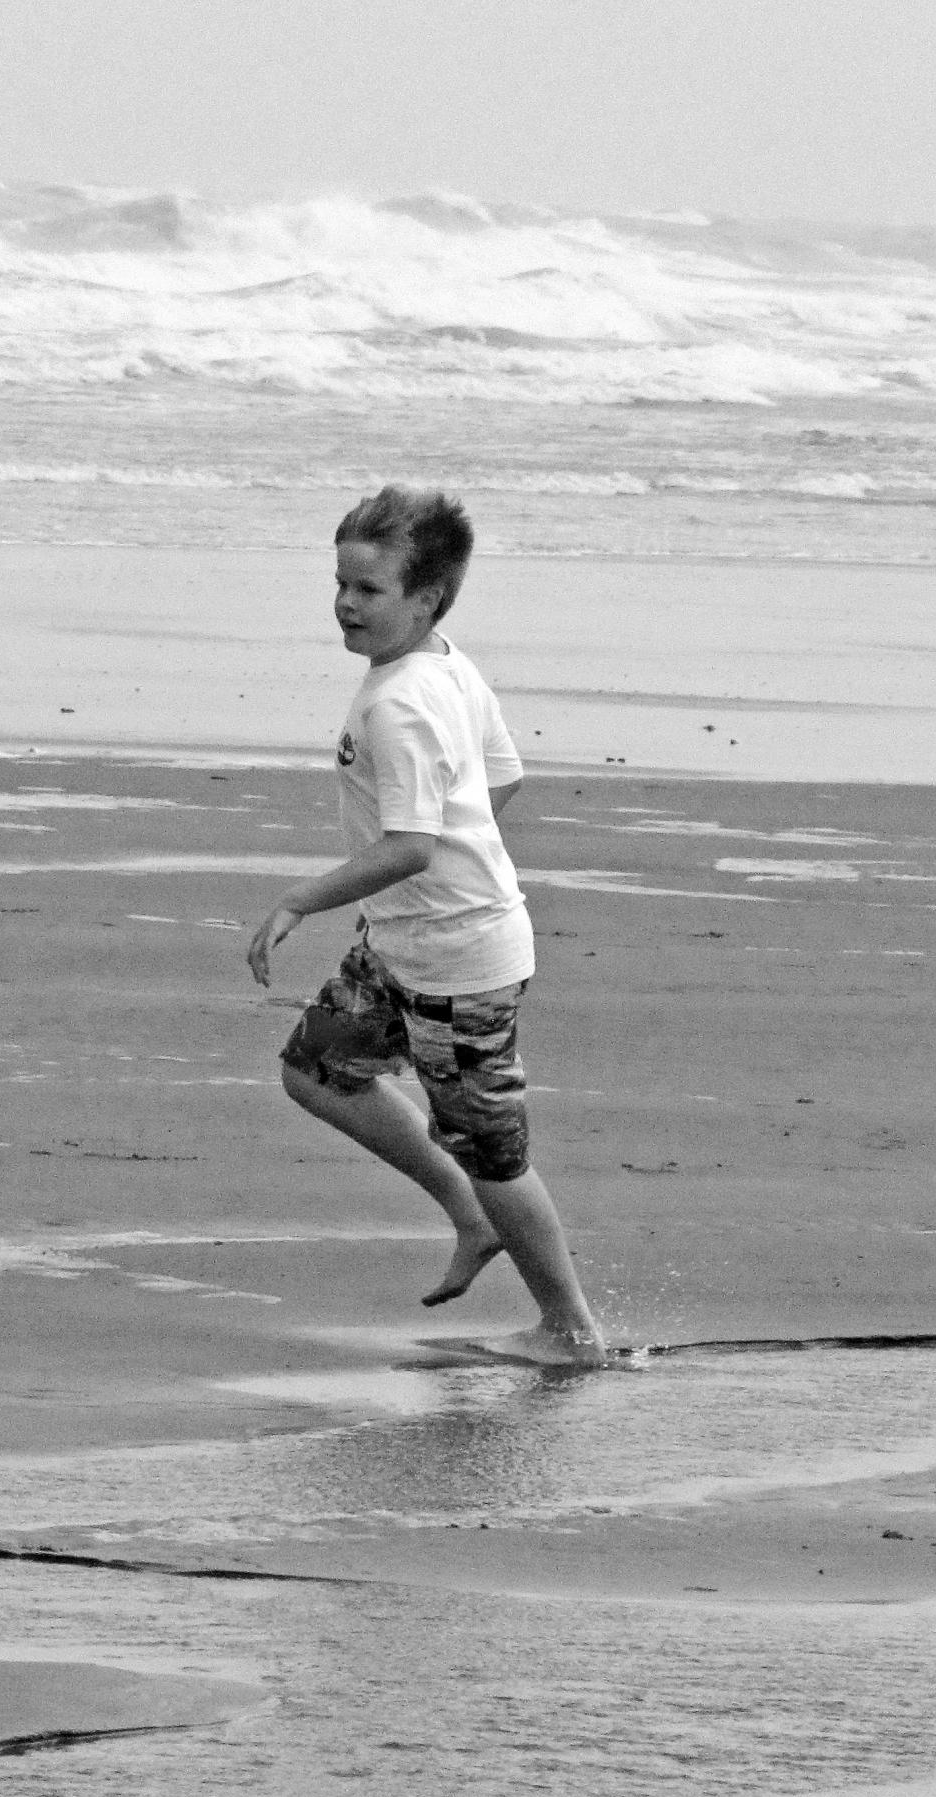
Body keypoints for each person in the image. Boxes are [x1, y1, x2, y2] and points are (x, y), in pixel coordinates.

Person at [246, 486, 605, 1364]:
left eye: (368, 589)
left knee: (494, 1150)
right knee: (318, 1069)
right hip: (402, 946)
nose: (345, 603)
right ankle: (472, 1217)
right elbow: (501, 780)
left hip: (458, 964)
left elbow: (410, 846)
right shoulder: (443, 663)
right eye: (340, 583)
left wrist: (300, 899)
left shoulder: (401, 701)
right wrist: (452, 859)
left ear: (426, 598)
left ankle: (570, 1330)